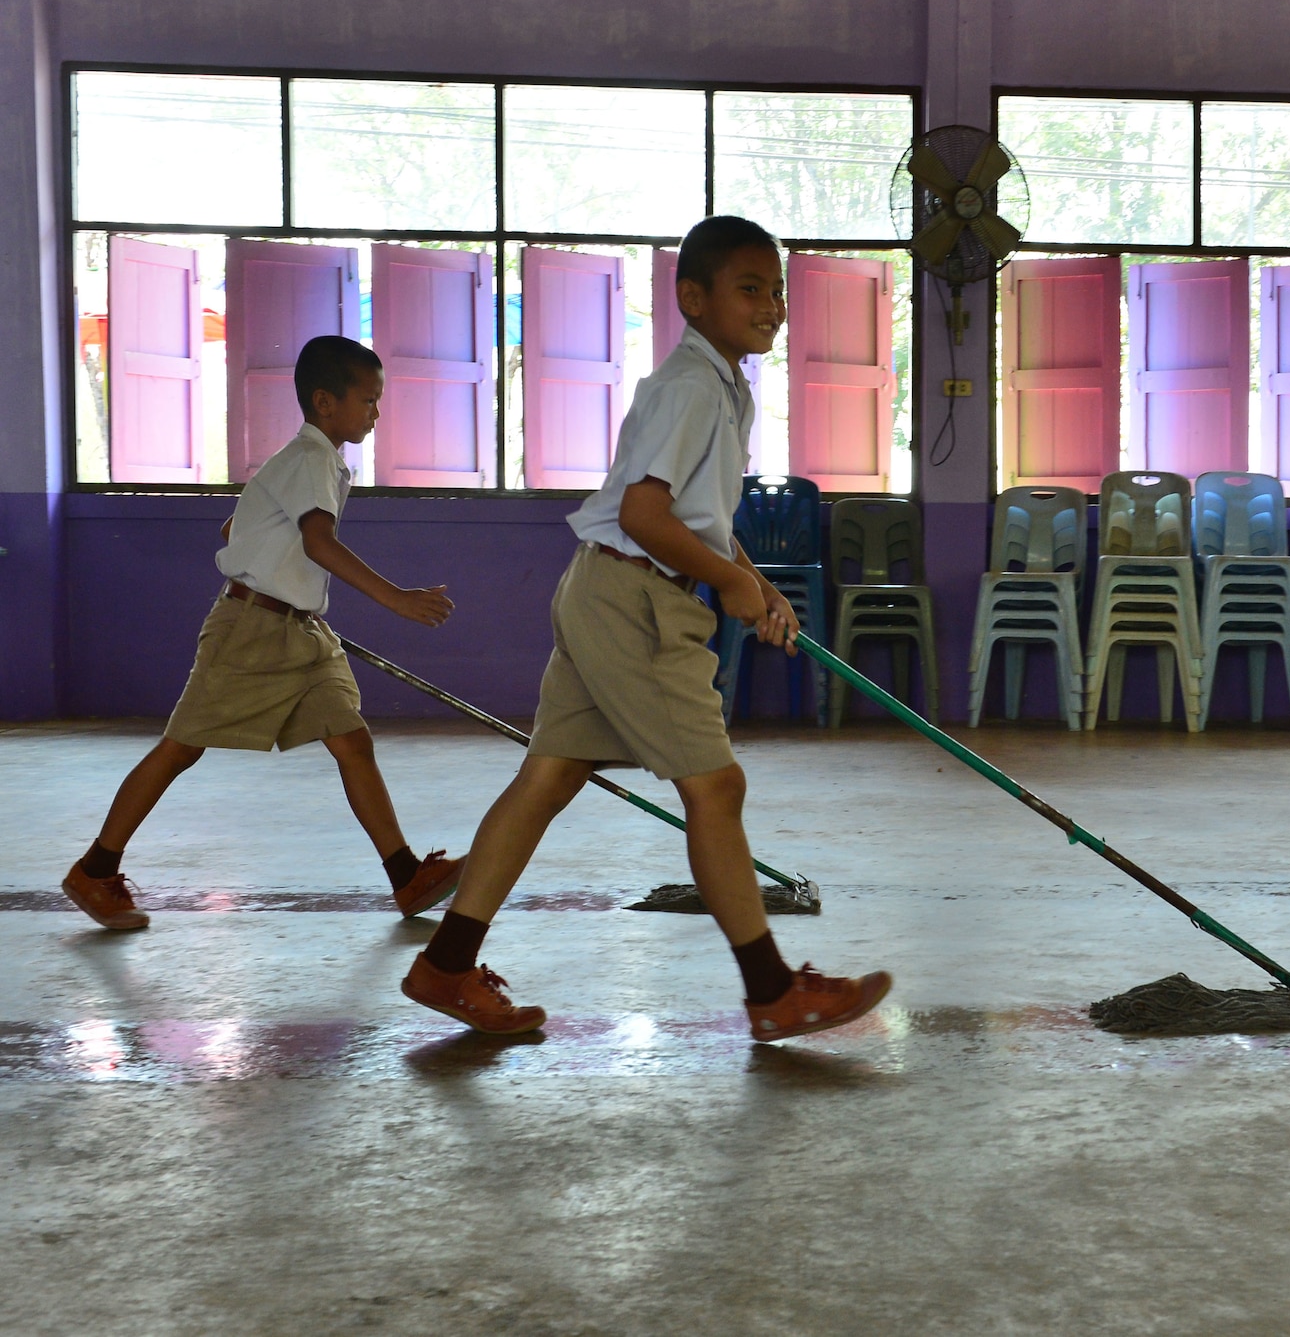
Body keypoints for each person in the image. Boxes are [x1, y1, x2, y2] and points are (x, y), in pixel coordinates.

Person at [400, 215, 890, 1040]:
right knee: (716, 786)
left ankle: (445, 965)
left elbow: (695, 512)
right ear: (692, 298)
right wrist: (728, 578)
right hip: (633, 601)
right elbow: (643, 511)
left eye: (777, 290)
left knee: (549, 777)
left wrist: (751, 577)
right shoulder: (693, 386)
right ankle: (772, 991)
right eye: (749, 289)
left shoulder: (723, 383)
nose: (771, 306)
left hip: (608, 588)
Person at [61, 336, 463, 931]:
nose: (376, 412)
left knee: (352, 741)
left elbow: (234, 525)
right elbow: (318, 541)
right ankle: (96, 869)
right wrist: (395, 599)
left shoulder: (317, 460)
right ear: (326, 402)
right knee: (181, 748)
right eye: (369, 400)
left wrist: (276, 566)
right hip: (250, 631)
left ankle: (406, 876)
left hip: (302, 632)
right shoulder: (309, 459)